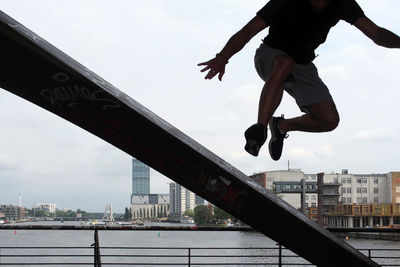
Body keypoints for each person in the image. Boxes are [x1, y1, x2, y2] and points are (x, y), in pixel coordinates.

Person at [198, 0, 400, 161]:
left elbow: (376, 34)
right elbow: (249, 30)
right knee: (285, 63)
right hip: (270, 55)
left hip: (303, 65)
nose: (321, 5)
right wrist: (222, 57)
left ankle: (282, 126)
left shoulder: (343, 3)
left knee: (329, 120)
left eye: (326, 2)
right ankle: (260, 128)